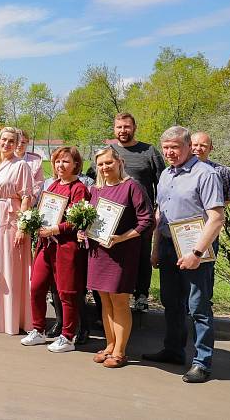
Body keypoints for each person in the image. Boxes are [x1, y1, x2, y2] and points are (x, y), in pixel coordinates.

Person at [142, 126, 225, 383]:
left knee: (198, 307)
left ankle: (202, 362)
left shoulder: (206, 174)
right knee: (171, 302)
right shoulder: (166, 174)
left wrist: (196, 253)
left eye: (175, 147)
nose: (169, 152)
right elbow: (160, 214)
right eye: (166, 147)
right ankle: (174, 350)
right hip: (168, 245)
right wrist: (156, 248)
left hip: (195, 248)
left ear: (188, 146)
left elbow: (216, 218)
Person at [76, 146, 152, 368]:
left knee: (119, 301)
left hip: (121, 254)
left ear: (119, 162)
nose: (104, 167)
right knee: (105, 301)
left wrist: (121, 238)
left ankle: (120, 350)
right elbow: (90, 219)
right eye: (100, 164)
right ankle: (109, 345)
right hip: (98, 253)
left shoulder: (132, 187)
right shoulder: (97, 190)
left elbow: (146, 221)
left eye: (108, 162)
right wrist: (83, 231)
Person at [87, 112, 165, 312]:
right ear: (114, 129)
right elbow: (91, 178)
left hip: (140, 216)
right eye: (119, 127)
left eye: (127, 127)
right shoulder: (108, 152)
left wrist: (157, 211)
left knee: (141, 258)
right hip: (110, 218)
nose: (123, 131)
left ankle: (141, 296)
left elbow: (163, 183)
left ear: (134, 127)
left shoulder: (149, 152)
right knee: (111, 261)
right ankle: (109, 299)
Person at [21, 147, 90, 353]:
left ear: (76, 164)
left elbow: (79, 220)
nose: (61, 166)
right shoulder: (52, 186)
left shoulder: (78, 188)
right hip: (45, 244)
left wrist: (56, 229)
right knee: (37, 287)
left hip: (66, 247)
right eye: (58, 161)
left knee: (66, 292)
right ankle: (38, 329)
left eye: (66, 162)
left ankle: (68, 337)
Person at [0, 127, 34, 334]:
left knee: (10, 266)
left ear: (17, 143)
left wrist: (23, 226)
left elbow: (27, 197)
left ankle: (11, 319)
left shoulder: (21, 166)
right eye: (4, 140)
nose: (7, 144)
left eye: (12, 141)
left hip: (11, 220)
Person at [14, 130, 44, 204]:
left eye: (23, 142)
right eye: (17, 141)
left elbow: (38, 183)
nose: (20, 144)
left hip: (29, 201)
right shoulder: (5, 159)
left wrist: (30, 201)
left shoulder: (35, 161)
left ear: (27, 143)